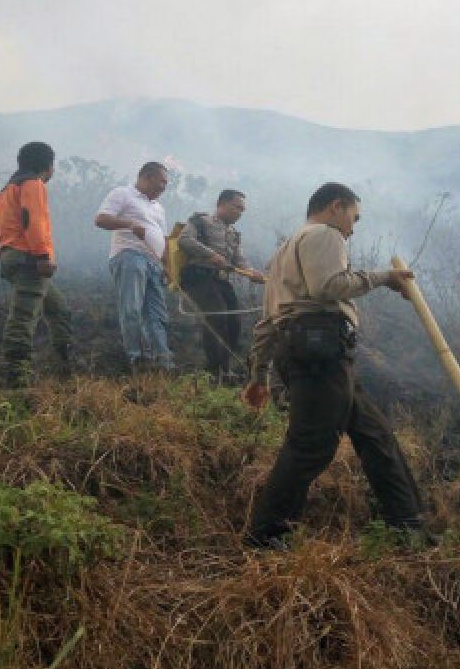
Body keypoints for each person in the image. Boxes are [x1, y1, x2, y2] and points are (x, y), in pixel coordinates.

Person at [241, 182, 430, 549]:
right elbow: (330, 286)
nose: (353, 228)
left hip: (310, 353)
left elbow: (266, 323)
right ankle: (266, 535)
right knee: (310, 445)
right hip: (318, 351)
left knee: (375, 435)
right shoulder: (325, 235)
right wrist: (384, 278)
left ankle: (408, 525)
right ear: (336, 207)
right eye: (353, 218)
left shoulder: (282, 253)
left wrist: (259, 376)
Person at [0, 141, 71, 385]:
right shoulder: (32, 184)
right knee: (22, 319)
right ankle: (17, 382)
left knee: (59, 310)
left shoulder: (8, 188)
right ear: (48, 166)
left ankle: (62, 366)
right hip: (29, 258)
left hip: (11, 256)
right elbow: (33, 221)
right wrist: (42, 257)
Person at [94, 162, 175, 372]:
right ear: (147, 177)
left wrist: (167, 266)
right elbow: (101, 219)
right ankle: (137, 358)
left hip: (154, 263)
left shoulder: (158, 207)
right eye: (162, 182)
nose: (163, 187)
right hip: (130, 255)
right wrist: (129, 224)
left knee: (156, 313)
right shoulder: (122, 194)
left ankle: (162, 360)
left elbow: (164, 239)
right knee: (132, 309)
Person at [178, 189, 265, 381]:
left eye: (242, 210)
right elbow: (184, 240)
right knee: (216, 318)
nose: (240, 213)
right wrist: (210, 255)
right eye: (237, 208)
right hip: (199, 278)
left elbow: (239, 259)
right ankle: (214, 371)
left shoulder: (233, 233)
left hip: (221, 280)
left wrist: (252, 273)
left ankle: (225, 370)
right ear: (222, 204)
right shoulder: (200, 221)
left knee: (234, 322)